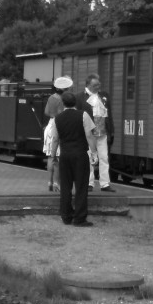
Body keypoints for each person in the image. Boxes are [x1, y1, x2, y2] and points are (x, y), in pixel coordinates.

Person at [46, 90, 99, 227]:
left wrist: (53, 156)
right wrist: (94, 153)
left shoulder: (57, 118)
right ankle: (79, 218)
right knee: (81, 187)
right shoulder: (83, 115)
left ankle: (66, 215)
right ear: (75, 102)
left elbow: (55, 139)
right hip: (80, 155)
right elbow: (89, 135)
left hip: (65, 155)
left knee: (66, 186)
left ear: (63, 103)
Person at [83, 73, 114, 191]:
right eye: (95, 85)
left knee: (104, 157)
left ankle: (105, 184)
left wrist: (111, 130)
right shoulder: (81, 97)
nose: (98, 87)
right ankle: (89, 183)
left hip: (102, 132)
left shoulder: (104, 96)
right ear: (88, 85)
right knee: (90, 157)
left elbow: (109, 114)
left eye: (99, 84)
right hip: (88, 133)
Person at [43, 76, 72, 192]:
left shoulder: (51, 98)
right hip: (58, 126)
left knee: (50, 156)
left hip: (50, 125)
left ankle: (49, 182)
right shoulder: (62, 99)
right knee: (58, 158)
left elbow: (46, 112)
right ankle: (56, 183)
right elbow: (61, 114)